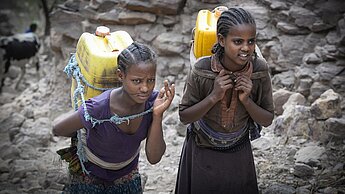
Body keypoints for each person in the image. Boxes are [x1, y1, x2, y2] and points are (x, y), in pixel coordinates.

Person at [53, 42, 175, 193]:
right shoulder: (98, 108)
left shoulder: (152, 103)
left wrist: (157, 115)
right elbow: (57, 129)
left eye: (150, 80)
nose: (145, 88)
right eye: (137, 81)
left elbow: (154, 158)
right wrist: (85, 125)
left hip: (127, 175)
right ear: (120, 75)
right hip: (90, 175)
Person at [175, 7, 274, 194]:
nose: (246, 48)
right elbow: (184, 116)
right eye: (238, 41)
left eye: (250, 41)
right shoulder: (202, 69)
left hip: (239, 153)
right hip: (202, 151)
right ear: (221, 40)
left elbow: (267, 119)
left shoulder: (259, 70)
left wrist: (247, 101)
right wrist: (214, 96)